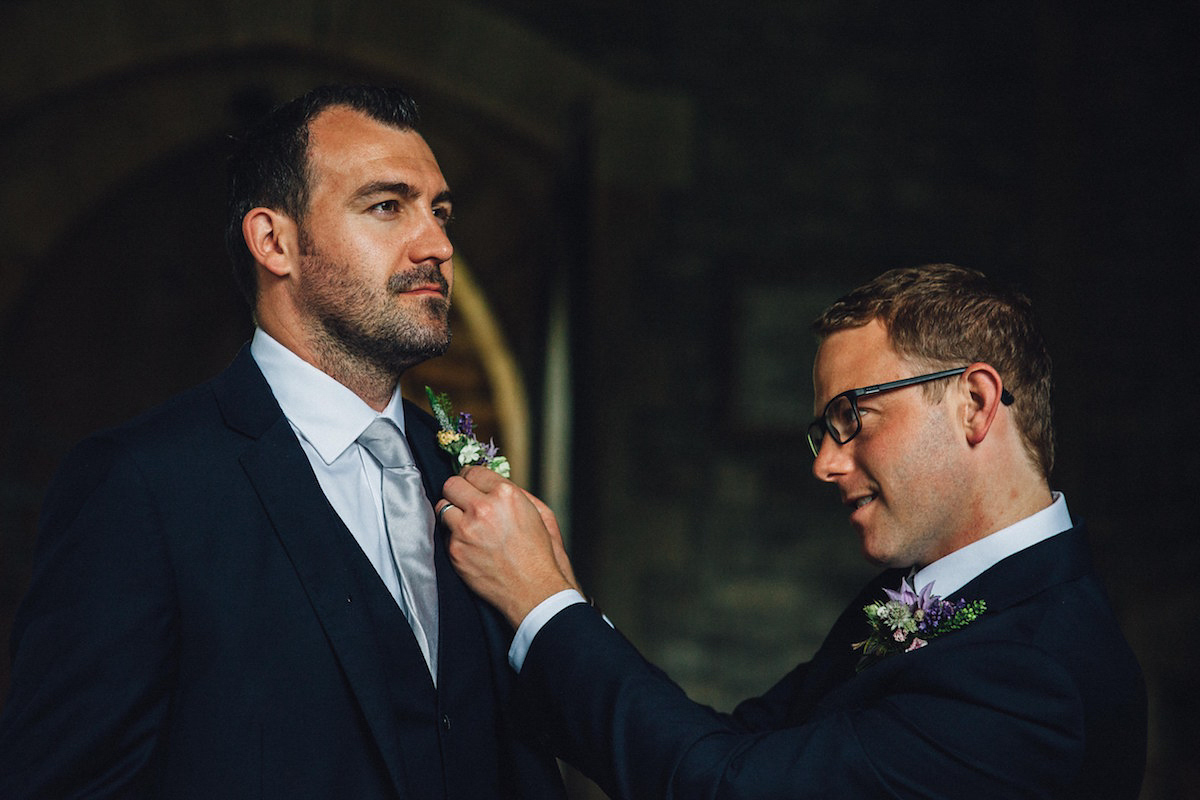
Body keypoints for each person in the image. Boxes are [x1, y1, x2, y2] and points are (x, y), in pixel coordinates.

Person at [0, 85, 565, 799]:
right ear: (275, 241)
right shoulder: (140, 485)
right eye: (388, 206)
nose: (439, 245)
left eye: (440, 210)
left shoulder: (466, 477)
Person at [439, 264, 1147, 799]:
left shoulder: (1036, 678)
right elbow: (739, 742)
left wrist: (543, 605)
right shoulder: (922, 596)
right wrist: (560, 609)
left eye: (851, 419)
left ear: (974, 402)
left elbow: (731, 786)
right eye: (823, 431)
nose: (827, 464)